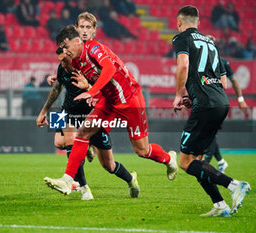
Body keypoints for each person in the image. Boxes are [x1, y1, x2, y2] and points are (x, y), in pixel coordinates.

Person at [44, 24, 178, 197]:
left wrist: (91, 91)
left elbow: (110, 69)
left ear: (77, 41)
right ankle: (68, 180)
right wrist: (57, 77)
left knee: (142, 151)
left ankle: (169, 159)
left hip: (130, 100)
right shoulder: (75, 60)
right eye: (62, 48)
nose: (65, 51)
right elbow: (64, 69)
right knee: (82, 133)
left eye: (66, 46)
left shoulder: (94, 48)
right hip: (107, 102)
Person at [41, 12, 141, 199]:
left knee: (108, 165)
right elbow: (58, 83)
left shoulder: (94, 54)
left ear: (93, 31)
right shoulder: (67, 55)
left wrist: (90, 88)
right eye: (82, 27)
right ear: (76, 30)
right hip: (68, 109)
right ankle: (82, 187)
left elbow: (104, 77)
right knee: (60, 141)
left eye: (88, 27)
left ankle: (130, 178)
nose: (84, 31)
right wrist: (44, 109)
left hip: (92, 109)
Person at [172, 5, 250, 217]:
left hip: (206, 105)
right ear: (198, 22)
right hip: (221, 103)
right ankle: (220, 205)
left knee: (185, 162)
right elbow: (223, 83)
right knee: (197, 160)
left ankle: (234, 185)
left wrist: (179, 94)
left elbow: (183, 65)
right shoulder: (211, 43)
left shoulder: (181, 38)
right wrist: (194, 96)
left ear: (179, 22)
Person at [203, 35, 248, 173]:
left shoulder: (222, 62)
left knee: (210, 133)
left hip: (217, 104)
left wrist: (240, 100)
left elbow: (232, 82)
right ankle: (221, 162)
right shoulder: (202, 63)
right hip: (206, 104)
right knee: (209, 133)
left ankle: (205, 164)